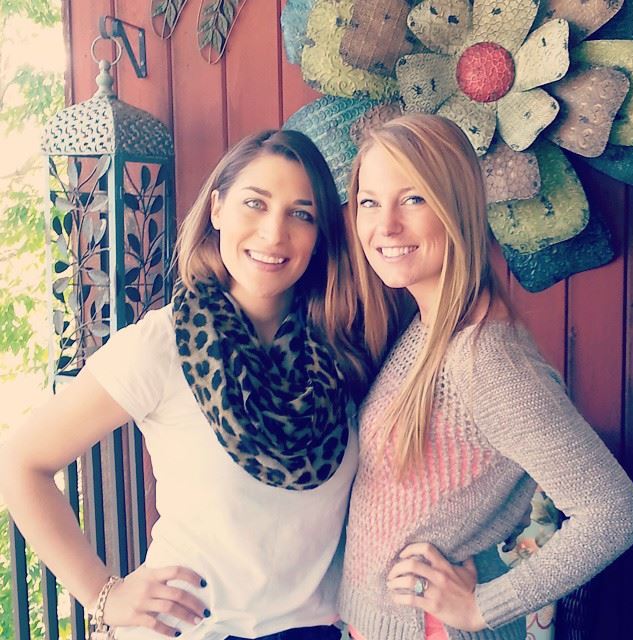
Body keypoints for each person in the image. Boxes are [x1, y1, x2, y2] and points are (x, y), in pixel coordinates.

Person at [0, 129, 380, 640]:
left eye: (301, 214)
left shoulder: (341, 352)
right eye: (255, 203)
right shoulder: (162, 345)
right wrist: (103, 594)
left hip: (311, 629)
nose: (274, 233)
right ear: (217, 209)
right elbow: (21, 463)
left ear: (320, 235)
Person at [338, 113, 633, 640]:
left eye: (413, 198)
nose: (385, 226)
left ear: (458, 207)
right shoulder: (426, 325)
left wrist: (484, 606)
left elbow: (614, 511)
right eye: (369, 202)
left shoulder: (486, 358)